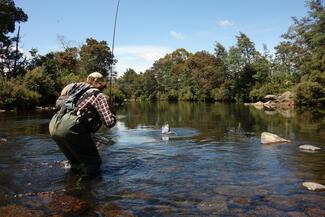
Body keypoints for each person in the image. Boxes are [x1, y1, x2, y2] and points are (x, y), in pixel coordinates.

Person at [49, 72, 116, 177]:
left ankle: (72, 186)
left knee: (76, 163)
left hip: (54, 124)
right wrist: (112, 112)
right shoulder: (99, 96)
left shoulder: (76, 90)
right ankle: (82, 189)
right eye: (102, 83)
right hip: (69, 128)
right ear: (99, 82)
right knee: (93, 164)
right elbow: (109, 122)